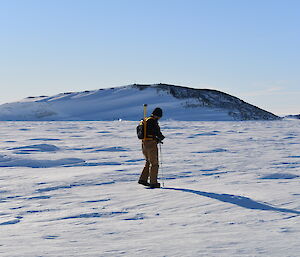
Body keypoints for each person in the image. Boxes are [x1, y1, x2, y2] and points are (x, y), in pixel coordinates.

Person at [138, 107, 165, 188]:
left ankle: (143, 179)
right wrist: (160, 137)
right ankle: (153, 182)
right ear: (158, 115)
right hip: (151, 144)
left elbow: (149, 132)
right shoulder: (152, 121)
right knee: (154, 163)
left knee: (148, 161)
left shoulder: (145, 120)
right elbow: (156, 132)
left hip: (144, 143)